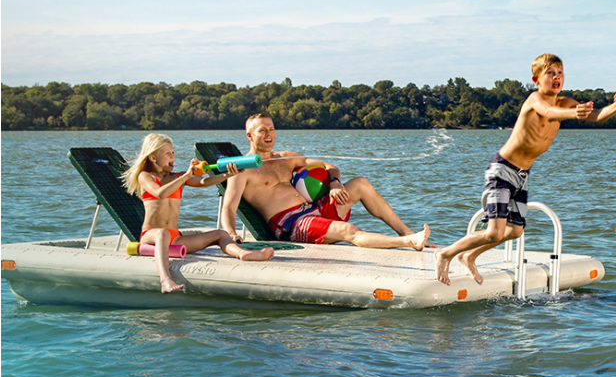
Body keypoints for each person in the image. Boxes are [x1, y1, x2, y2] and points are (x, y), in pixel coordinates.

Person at [435, 54, 616, 285]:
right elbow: (548, 112)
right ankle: (445, 254)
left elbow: (597, 116)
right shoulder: (534, 99)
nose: (556, 77)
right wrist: (572, 114)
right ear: (536, 79)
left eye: (560, 72)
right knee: (494, 233)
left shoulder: (566, 102)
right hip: (502, 169)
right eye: (550, 73)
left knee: (515, 231)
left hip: (522, 175)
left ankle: (469, 256)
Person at [222, 113, 430, 250]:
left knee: (360, 183)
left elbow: (329, 166)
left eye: (272, 129)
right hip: (291, 224)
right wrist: (231, 234)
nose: (269, 134)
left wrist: (335, 183)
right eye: (262, 130)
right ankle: (408, 242)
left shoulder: (286, 158)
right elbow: (229, 207)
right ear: (250, 136)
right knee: (347, 229)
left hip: (314, 209)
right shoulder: (243, 170)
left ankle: (406, 231)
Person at [122, 133, 274, 294]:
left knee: (220, 234)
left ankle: (243, 254)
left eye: (173, 152)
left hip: (175, 238)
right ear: (153, 158)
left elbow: (204, 181)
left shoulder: (178, 177)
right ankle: (165, 280)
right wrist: (187, 175)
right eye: (167, 153)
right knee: (162, 233)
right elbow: (160, 193)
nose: (172, 156)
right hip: (151, 236)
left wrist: (228, 175)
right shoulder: (146, 176)